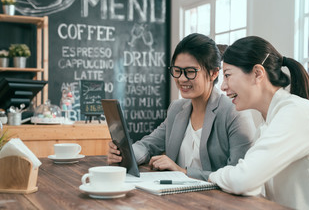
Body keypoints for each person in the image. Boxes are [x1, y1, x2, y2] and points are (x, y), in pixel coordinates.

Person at [208, 36, 309, 210]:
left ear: (258, 73)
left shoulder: (296, 113)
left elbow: (243, 180)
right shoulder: (267, 125)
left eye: (228, 75)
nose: (222, 86)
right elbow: (252, 185)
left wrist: (214, 176)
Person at [108, 33, 256, 181]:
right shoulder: (177, 109)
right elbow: (148, 145)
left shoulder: (234, 113)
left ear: (213, 73)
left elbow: (238, 176)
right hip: (178, 199)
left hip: (217, 201)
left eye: (190, 72)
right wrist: (124, 154)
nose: (181, 79)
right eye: (177, 71)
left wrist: (183, 172)